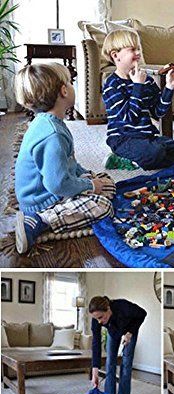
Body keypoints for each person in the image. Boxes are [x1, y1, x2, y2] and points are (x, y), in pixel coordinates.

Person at [13, 63, 115, 254]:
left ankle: (78, 200)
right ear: (63, 91)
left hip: (54, 186)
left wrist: (86, 176)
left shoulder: (52, 123)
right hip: (42, 200)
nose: (71, 85)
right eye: (69, 82)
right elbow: (57, 184)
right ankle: (39, 222)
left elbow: (69, 163)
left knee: (106, 181)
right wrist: (90, 186)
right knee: (104, 206)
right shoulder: (53, 135)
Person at [101, 29, 174, 170]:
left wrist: (169, 87)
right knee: (154, 152)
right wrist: (137, 86)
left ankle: (143, 159)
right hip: (123, 138)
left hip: (147, 137)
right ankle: (120, 159)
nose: (138, 53)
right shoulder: (111, 84)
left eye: (138, 48)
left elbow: (158, 113)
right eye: (132, 49)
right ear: (115, 55)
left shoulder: (147, 81)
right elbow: (129, 117)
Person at [89, 295, 147, 394]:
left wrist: (130, 333)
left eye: (101, 317)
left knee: (126, 364)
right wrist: (94, 371)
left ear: (108, 309)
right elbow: (96, 343)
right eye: (96, 319)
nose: (99, 322)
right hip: (113, 330)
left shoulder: (123, 306)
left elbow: (142, 313)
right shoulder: (97, 319)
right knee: (110, 361)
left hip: (130, 330)